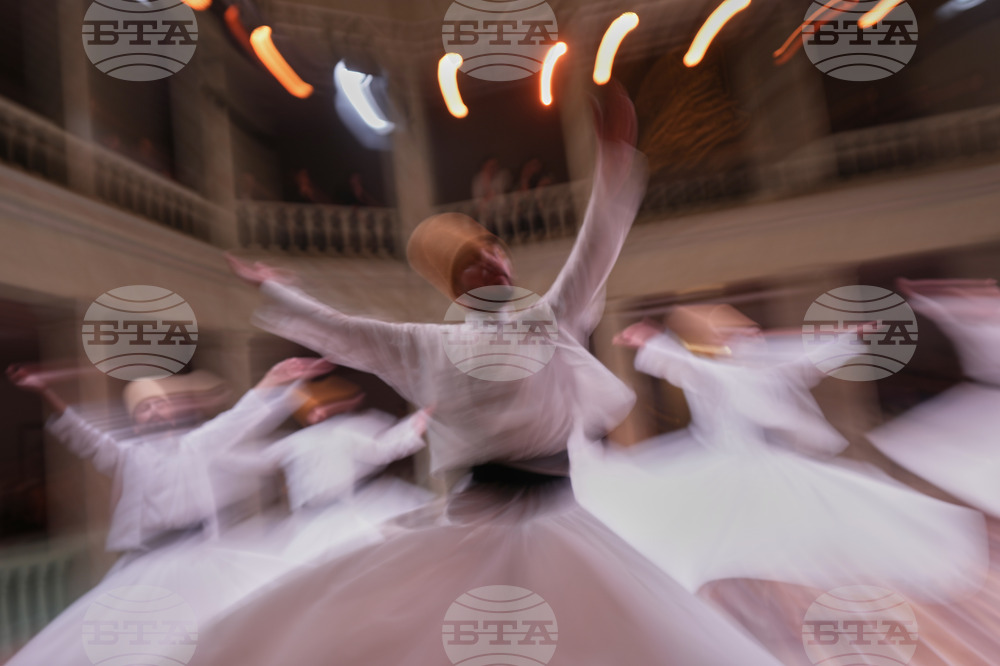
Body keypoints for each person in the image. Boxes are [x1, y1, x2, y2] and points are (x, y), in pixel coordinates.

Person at [181, 83, 784, 664]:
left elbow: (595, 249)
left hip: (558, 516)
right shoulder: (427, 345)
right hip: (479, 520)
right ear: (456, 286)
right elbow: (348, 334)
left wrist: (613, 161)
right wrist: (282, 295)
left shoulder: (547, 320)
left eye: (495, 254)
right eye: (473, 265)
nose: (492, 265)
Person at [578, 306, 987, 603]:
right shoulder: (706, 367)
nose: (742, 329)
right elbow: (688, 364)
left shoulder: (755, 362)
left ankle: (759, 603)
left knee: (794, 533)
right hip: (727, 465)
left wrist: (849, 336)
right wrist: (655, 342)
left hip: (761, 466)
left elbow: (800, 354)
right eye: (726, 326)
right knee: (714, 536)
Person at [4, 358, 332, 666]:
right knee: (149, 642)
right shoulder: (125, 455)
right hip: (152, 560)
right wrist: (45, 391)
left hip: (203, 554)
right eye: (146, 407)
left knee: (231, 625)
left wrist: (274, 378)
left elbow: (240, 418)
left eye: (160, 403)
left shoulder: (198, 443)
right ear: (136, 419)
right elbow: (81, 434)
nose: (156, 410)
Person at [222, 376, 435, 566]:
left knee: (350, 565)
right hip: (310, 520)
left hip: (342, 514)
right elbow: (260, 459)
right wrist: (221, 450)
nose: (316, 412)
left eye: (319, 407)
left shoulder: (347, 430)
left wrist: (415, 424)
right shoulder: (297, 441)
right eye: (311, 408)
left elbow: (382, 448)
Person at [868, 278, 1000, 517]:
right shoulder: (968, 314)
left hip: (987, 400)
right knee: (974, 465)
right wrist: (922, 288)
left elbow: (936, 295)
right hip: (987, 397)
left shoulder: (972, 313)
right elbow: (934, 295)